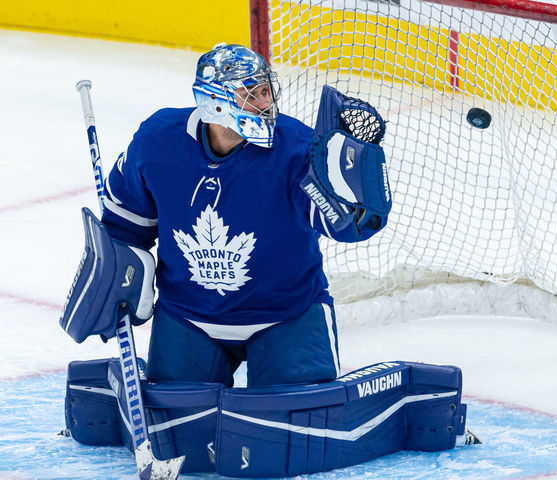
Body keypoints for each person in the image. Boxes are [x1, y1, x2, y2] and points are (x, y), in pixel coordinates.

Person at [99, 43, 390, 388]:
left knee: (295, 428)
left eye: (266, 91)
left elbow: (346, 227)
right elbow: (125, 226)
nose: (265, 104)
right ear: (214, 101)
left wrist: (358, 181)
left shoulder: (297, 148)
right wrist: (116, 278)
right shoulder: (158, 142)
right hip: (190, 317)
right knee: (177, 431)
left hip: (286, 315)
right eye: (251, 94)